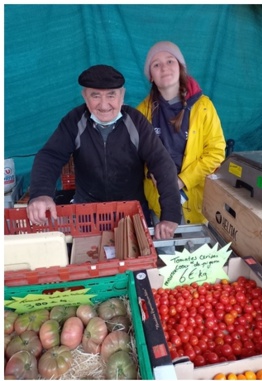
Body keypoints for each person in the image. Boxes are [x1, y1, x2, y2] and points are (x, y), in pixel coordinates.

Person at [27, 64, 181, 240]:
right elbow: (50, 156)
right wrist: (41, 194)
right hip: (87, 214)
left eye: (111, 95)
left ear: (122, 96)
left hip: (132, 211)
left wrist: (170, 215)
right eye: (95, 95)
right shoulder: (74, 121)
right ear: (85, 97)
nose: (104, 104)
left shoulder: (136, 122)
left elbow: (161, 163)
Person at [137, 41, 226, 225]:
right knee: (165, 251)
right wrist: (151, 173)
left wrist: (181, 181)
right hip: (158, 204)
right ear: (151, 76)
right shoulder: (141, 113)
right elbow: (135, 156)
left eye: (170, 61)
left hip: (198, 204)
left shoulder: (204, 107)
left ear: (180, 67)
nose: (164, 68)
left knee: (197, 251)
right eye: (156, 64)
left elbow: (216, 153)